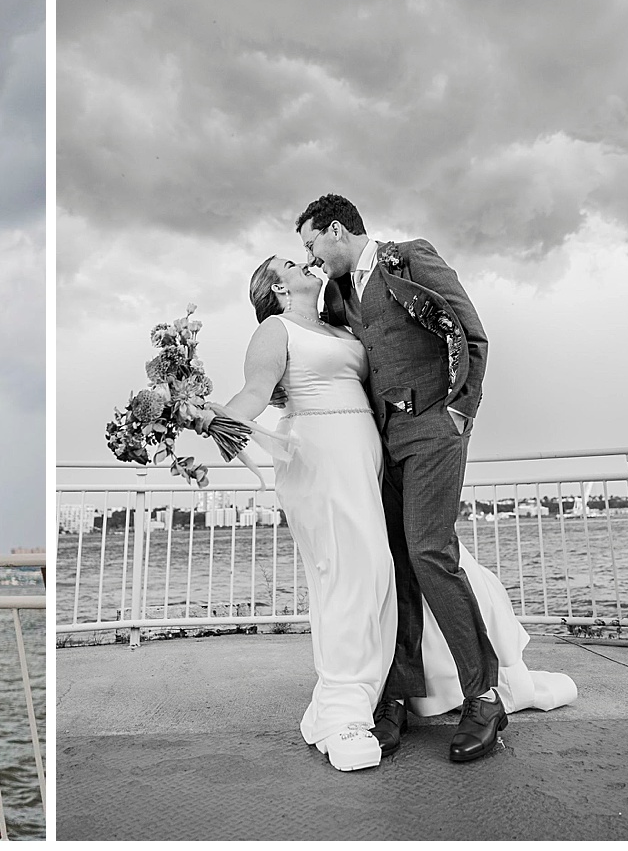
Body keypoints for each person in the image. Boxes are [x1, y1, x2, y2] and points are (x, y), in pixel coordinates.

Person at [204, 249, 575, 773]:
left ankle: (458, 685)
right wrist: (211, 416)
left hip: (375, 458)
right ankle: (347, 705)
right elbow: (254, 392)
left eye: (305, 253)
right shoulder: (275, 330)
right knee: (353, 574)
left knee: (410, 564)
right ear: (278, 289)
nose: (304, 263)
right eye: (291, 263)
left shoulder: (343, 325)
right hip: (326, 461)